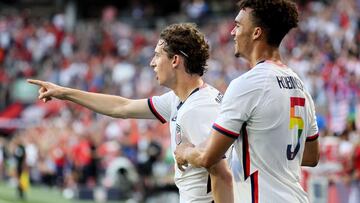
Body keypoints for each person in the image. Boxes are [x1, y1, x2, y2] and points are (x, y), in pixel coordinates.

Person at [28, 23, 233, 203]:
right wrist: (64, 93)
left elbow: (222, 174)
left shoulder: (199, 108)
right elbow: (122, 107)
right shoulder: (179, 99)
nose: (152, 62)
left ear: (175, 60)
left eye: (157, 55)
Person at [174, 1, 320, 203]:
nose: (233, 32)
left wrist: (184, 151)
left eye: (238, 25)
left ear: (256, 33)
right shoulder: (300, 86)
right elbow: (311, 156)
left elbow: (208, 156)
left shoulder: (248, 84)